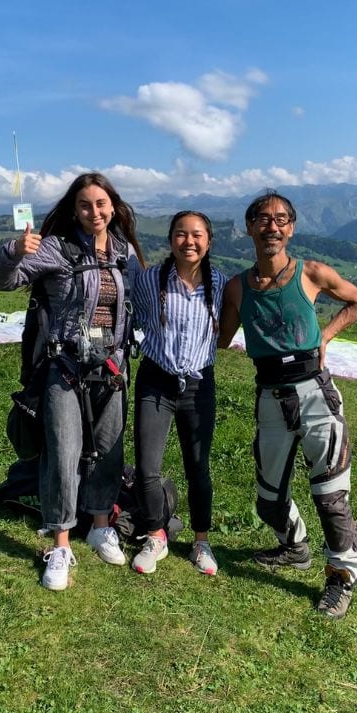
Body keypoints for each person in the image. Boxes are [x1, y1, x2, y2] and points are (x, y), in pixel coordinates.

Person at [219, 191, 357, 619]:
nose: (272, 226)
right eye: (263, 219)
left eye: (281, 219)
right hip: (269, 394)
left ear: (291, 229)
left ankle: (343, 575)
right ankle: (294, 546)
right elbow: (221, 338)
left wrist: (325, 335)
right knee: (268, 500)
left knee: (330, 495)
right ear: (249, 227)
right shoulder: (236, 288)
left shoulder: (312, 273)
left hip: (314, 392)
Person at [0, 172, 144, 590]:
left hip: (111, 368)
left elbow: (139, 301)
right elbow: (4, 281)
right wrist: (12, 252)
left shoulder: (124, 252)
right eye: (84, 205)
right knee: (62, 449)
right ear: (73, 209)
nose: (94, 212)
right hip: (65, 368)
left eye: (101, 204)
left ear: (113, 206)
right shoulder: (56, 249)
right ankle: (60, 542)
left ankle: (99, 525)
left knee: (110, 448)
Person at [131, 211, 227, 575]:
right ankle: (156, 534)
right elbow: (134, 316)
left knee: (198, 467)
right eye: (181, 234)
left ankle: (201, 541)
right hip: (156, 380)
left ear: (209, 240)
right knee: (147, 467)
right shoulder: (149, 279)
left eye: (197, 235)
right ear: (170, 239)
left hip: (199, 385)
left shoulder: (221, 284)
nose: (189, 241)